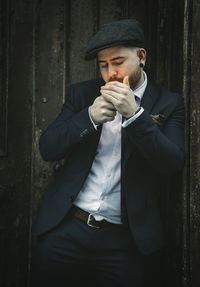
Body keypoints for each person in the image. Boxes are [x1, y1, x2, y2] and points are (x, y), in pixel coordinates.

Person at [31, 19, 185, 287]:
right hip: (67, 230)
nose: (111, 72)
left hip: (124, 242)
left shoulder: (169, 103)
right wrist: (88, 117)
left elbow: (172, 164)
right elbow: (48, 147)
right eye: (104, 65)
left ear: (141, 57)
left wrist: (135, 117)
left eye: (118, 61)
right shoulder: (83, 94)